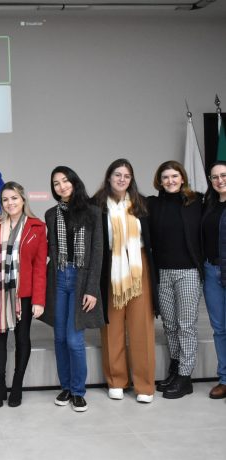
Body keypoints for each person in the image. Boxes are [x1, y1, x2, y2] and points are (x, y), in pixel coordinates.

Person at [92, 158, 158, 403]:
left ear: (131, 180)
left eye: (126, 176)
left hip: (138, 267)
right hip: (110, 267)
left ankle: (144, 385)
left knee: (142, 327)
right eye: (117, 174)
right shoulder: (96, 204)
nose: (122, 179)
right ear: (109, 177)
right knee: (112, 326)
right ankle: (116, 380)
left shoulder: (142, 203)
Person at [41, 167, 104, 412]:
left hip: (81, 279)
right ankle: (66, 387)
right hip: (58, 277)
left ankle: (78, 391)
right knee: (59, 338)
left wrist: (92, 289)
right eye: (56, 183)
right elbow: (51, 249)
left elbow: (97, 252)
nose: (61, 186)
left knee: (74, 339)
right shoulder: (50, 214)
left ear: (74, 182)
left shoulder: (93, 211)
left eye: (65, 181)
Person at [0, 182, 47, 408]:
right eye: (5, 199)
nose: (10, 203)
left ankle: (17, 385)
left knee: (22, 339)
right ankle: (0, 386)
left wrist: (39, 300)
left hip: (24, 295)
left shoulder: (37, 227)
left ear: (23, 199)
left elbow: (40, 267)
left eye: (14, 198)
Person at [147, 161, 203, 399]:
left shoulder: (197, 201)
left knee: (186, 325)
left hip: (188, 272)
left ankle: (185, 376)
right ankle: (176, 368)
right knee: (169, 325)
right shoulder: (152, 204)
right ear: (159, 181)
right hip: (162, 273)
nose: (170, 181)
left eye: (174, 176)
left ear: (182, 178)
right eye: (165, 177)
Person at [201, 161, 226, 399]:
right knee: (219, 328)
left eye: (224, 175)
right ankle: (225, 379)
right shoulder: (207, 205)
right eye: (215, 177)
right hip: (211, 270)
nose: (220, 180)